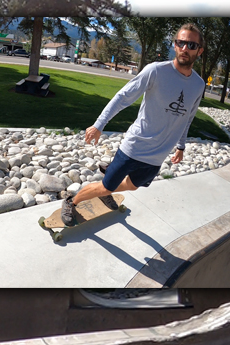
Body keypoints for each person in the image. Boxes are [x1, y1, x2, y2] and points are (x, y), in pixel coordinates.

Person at [60, 23, 207, 226]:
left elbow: (188, 117)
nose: (184, 48)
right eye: (180, 42)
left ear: (199, 50)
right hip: (134, 148)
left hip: (157, 157)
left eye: (191, 44)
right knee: (105, 187)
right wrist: (99, 125)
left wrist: (181, 146)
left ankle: (109, 180)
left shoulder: (199, 85)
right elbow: (123, 97)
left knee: (133, 186)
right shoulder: (156, 71)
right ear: (174, 45)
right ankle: (71, 201)